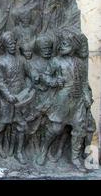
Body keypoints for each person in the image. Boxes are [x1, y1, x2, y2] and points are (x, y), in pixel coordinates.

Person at [36, 30, 89, 172]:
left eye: (66, 43)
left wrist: (87, 98)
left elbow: (84, 83)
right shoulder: (55, 61)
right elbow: (45, 77)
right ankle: (43, 150)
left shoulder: (80, 62)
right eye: (62, 43)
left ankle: (76, 158)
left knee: (79, 129)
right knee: (56, 128)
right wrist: (54, 81)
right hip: (62, 100)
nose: (62, 45)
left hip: (78, 102)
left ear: (74, 46)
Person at [0, 31, 31, 164]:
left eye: (14, 43)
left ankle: (18, 152)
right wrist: (8, 96)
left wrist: (29, 87)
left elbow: (30, 74)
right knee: (0, 126)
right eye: (9, 43)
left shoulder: (22, 60)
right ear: (5, 45)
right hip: (6, 99)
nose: (12, 45)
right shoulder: (1, 61)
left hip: (21, 99)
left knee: (21, 126)